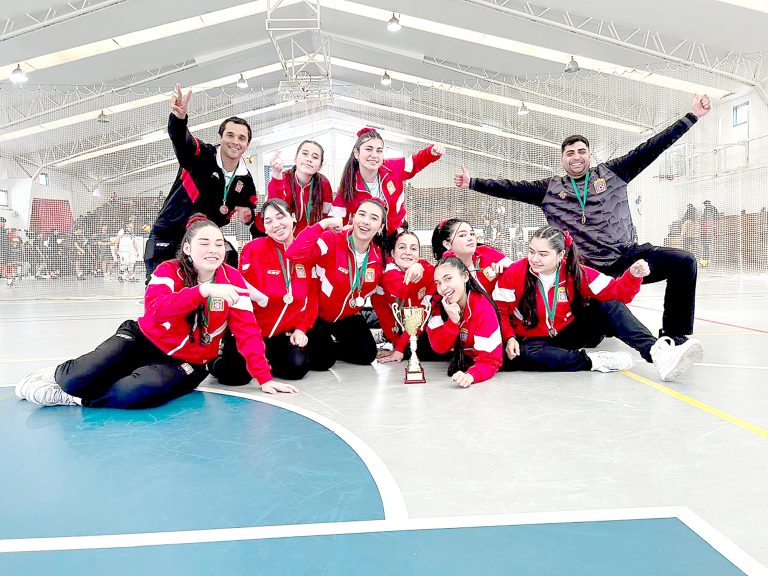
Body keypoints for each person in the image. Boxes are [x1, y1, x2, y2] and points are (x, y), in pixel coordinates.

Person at [456, 94, 712, 352]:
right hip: (584, 270)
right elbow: (510, 188)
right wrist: (473, 183)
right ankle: (605, 325)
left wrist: (691, 117)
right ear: (562, 160)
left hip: (625, 257)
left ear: (590, 155)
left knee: (684, 262)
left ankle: (675, 335)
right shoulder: (549, 189)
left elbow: (652, 147)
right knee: (595, 332)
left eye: (581, 151)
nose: (576, 157)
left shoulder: (613, 173)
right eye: (570, 153)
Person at [15, 216, 297, 409]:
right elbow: (157, 310)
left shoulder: (233, 280)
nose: (213, 249)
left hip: (188, 361)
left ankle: (77, 400)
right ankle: (56, 376)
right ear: (187, 248)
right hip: (143, 339)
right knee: (74, 379)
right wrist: (202, 291)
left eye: (219, 243)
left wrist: (265, 378)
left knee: (136, 392)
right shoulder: (167, 271)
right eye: (204, 243)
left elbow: (248, 331)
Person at [493, 225, 698, 380]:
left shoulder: (577, 272)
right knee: (520, 355)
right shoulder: (515, 273)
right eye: (531, 251)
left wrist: (633, 276)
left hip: (571, 333)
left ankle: (657, 353)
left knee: (609, 305)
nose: (534, 259)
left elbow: (618, 293)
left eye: (543, 254)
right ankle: (595, 361)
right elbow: (500, 310)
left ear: (561, 255)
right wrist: (509, 337)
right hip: (535, 340)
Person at [143, 83, 257, 281]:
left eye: (241, 138)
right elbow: (182, 140)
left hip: (204, 241)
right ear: (220, 137)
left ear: (247, 145)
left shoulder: (245, 182)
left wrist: (248, 216)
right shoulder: (200, 155)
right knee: (161, 290)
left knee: (226, 266)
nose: (235, 142)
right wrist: (179, 118)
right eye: (230, 135)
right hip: (169, 236)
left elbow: (248, 215)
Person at [209, 199, 320, 383]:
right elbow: (240, 291)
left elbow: (312, 298)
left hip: (280, 335)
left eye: (280, 217)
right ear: (265, 228)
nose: (276, 225)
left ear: (292, 217)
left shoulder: (307, 253)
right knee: (235, 377)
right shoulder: (253, 249)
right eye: (268, 221)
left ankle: (263, 361)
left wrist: (301, 329)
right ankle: (216, 360)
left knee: (297, 368)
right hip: (251, 332)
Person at [287, 199, 387, 367]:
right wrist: (323, 224)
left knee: (367, 354)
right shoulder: (331, 240)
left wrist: (418, 266)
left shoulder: (379, 257)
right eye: (362, 215)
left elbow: (394, 282)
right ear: (352, 218)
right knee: (322, 361)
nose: (366, 221)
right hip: (317, 314)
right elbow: (294, 253)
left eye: (373, 218)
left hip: (346, 316)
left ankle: (331, 348)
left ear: (380, 227)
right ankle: (317, 347)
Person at [330, 127, 445, 240]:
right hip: (367, 237)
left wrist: (432, 152)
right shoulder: (348, 185)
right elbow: (337, 220)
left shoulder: (393, 167)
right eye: (369, 149)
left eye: (379, 151)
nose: (374, 155)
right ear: (356, 153)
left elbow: (416, 162)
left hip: (396, 232)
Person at [426, 255, 503, 387]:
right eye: (438, 283)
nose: (443, 288)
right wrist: (452, 322)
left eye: (448, 279)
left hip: (477, 359)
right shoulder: (438, 303)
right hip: (457, 357)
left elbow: (490, 360)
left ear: (465, 276)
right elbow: (439, 348)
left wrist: (471, 376)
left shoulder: (483, 308)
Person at [371, 230, 435, 363]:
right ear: (392, 253)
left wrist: (400, 348)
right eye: (402, 247)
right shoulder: (386, 275)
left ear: (419, 255)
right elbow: (385, 315)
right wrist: (397, 345)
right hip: (401, 326)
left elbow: (422, 314)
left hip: (423, 324)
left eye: (413, 248)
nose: (408, 252)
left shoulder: (429, 273)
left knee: (419, 349)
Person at [267, 142, 333, 237]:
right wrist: (276, 174)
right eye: (305, 154)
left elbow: (327, 215)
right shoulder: (283, 178)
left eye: (315, 157)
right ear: (295, 159)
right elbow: (274, 209)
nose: (309, 159)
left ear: (320, 166)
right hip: (285, 239)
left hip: (313, 239)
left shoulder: (323, 183)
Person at [432, 218, 511, 295]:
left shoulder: (485, 252)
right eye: (462, 235)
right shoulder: (445, 268)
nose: (470, 238)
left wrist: (506, 266)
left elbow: (512, 267)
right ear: (447, 244)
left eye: (472, 234)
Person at [700, 200, 720, 267]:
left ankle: (705, 264)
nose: (704, 205)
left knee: (706, 250)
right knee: (707, 250)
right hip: (708, 235)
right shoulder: (709, 210)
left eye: (705, 204)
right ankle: (706, 264)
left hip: (706, 235)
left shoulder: (709, 211)